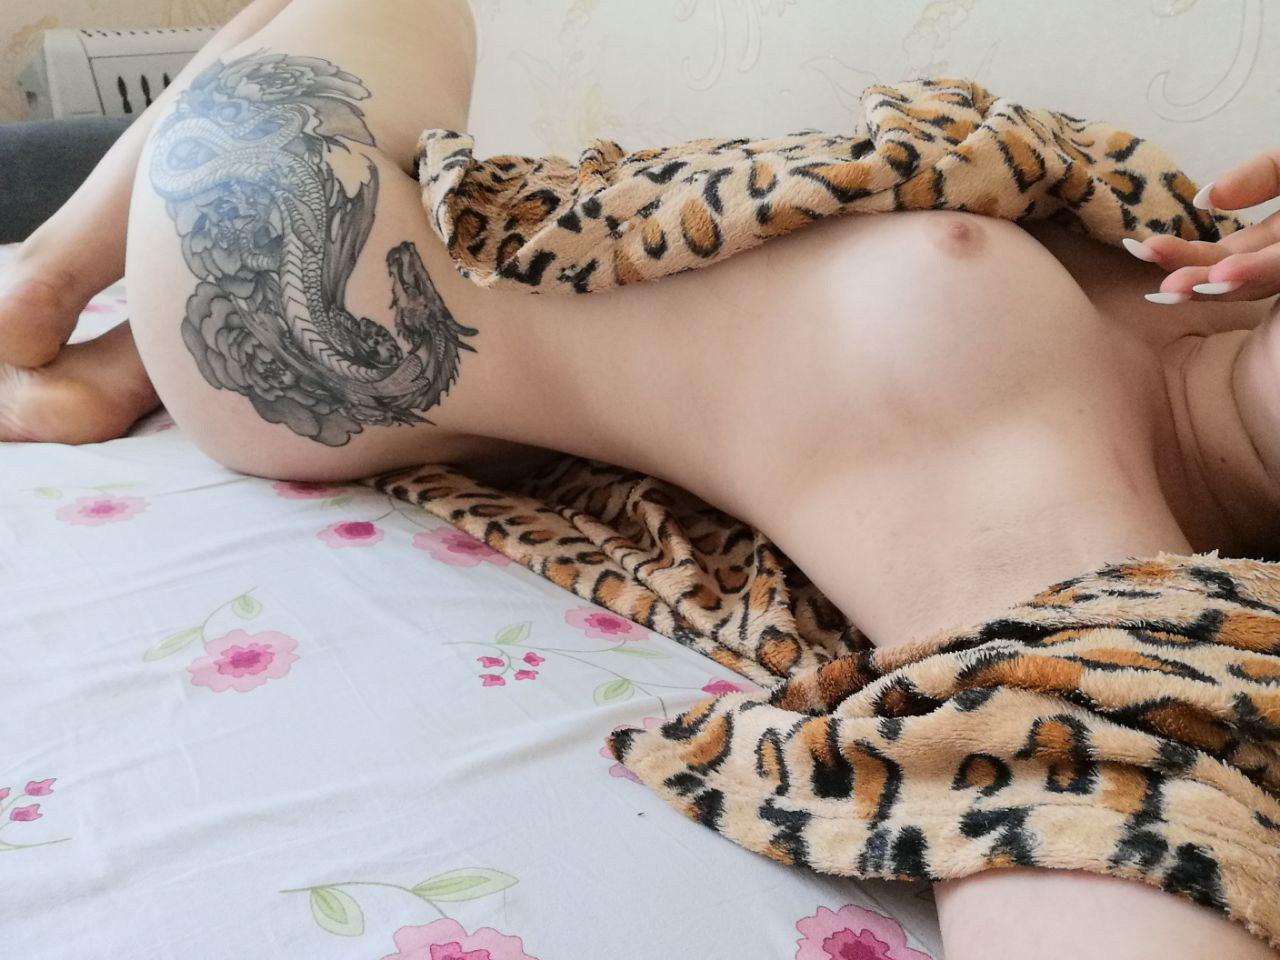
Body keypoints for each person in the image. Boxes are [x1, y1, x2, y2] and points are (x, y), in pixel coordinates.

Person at [1, 1, 1277, 956]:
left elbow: (1095, 782)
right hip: (347, 288)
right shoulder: (1187, 274)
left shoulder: (1053, 495)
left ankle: (45, 280)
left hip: (280, 288)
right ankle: (104, 357)